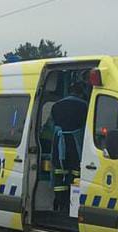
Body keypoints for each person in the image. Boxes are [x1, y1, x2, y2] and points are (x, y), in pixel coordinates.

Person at [50, 82, 89, 211]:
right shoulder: (84, 106)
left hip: (59, 145)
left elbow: (51, 126)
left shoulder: (56, 105)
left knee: (59, 175)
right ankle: (72, 208)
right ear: (80, 92)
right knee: (76, 175)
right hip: (75, 145)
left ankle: (60, 204)